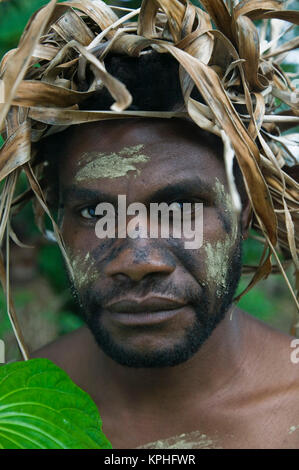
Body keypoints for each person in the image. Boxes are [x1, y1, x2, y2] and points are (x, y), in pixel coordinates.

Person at [1, 0, 298, 449]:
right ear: (57, 221)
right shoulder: (16, 411)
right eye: (96, 213)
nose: (138, 261)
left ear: (244, 210)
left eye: (180, 206)